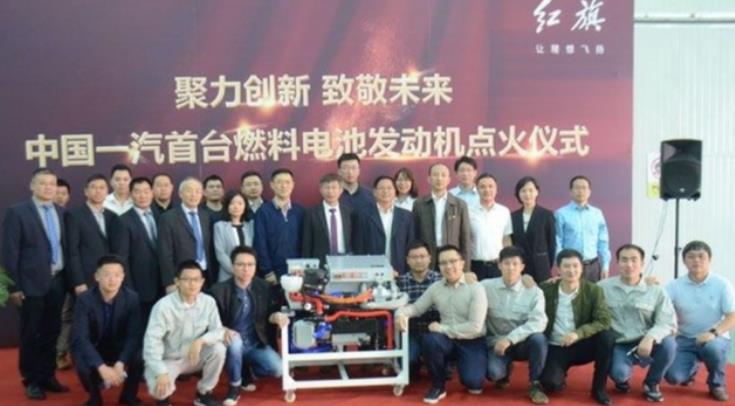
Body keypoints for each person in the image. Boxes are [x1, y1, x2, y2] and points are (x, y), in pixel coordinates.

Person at [2, 168, 70, 400]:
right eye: (42, 183)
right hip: (29, 285)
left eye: (52, 183)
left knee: (52, 332)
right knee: (31, 334)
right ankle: (31, 380)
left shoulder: (60, 212)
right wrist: (14, 287)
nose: (48, 187)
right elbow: (9, 253)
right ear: (32, 186)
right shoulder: (17, 212)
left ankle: (48, 375)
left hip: (57, 281)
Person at [396, 245, 487, 404]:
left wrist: (442, 328)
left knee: (474, 384)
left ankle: (460, 366)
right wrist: (400, 314)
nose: (448, 266)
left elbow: (475, 327)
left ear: (462, 263)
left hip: (471, 341)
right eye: (443, 263)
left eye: (453, 261)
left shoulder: (476, 288)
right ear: (439, 266)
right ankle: (438, 386)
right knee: (431, 339)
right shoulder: (435, 288)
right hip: (447, 340)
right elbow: (416, 308)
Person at [210, 246, 290, 406]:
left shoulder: (264, 287)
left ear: (255, 266)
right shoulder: (218, 290)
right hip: (231, 343)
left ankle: (248, 370)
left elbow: (270, 314)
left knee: (278, 370)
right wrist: (224, 330)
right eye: (240, 264)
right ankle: (234, 387)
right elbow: (212, 322)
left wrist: (276, 316)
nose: (245, 269)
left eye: (250, 264)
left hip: (255, 343)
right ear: (232, 266)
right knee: (235, 342)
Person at [598, 244, 676, 403]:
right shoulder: (603, 287)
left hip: (647, 341)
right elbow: (580, 292)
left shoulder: (656, 290)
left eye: (634, 260)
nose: (629, 264)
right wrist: (559, 281)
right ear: (617, 263)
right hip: (620, 344)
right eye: (624, 260)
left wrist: (650, 337)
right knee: (619, 375)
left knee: (669, 344)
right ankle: (622, 379)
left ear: (642, 263)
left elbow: (667, 322)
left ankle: (652, 383)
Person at [144, 260, 226, 406]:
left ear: (202, 282)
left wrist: (201, 341)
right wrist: (160, 371)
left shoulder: (208, 302)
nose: (192, 284)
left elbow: (218, 331)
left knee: (219, 349)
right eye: (187, 279)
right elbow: (152, 342)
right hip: (169, 359)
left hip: (194, 356)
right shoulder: (163, 306)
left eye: (196, 279)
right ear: (177, 282)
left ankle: (204, 392)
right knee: (158, 388)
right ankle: (163, 400)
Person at [539, 249, 615, 406]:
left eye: (575, 266)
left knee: (606, 337)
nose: (571, 270)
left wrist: (578, 333)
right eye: (566, 266)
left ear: (582, 268)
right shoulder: (546, 289)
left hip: (582, 344)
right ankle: (559, 374)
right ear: (558, 269)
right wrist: (526, 278)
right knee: (551, 384)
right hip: (557, 346)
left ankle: (598, 389)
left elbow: (604, 320)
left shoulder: (593, 290)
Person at [665, 240, 735, 402]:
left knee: (713, 349)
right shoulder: (674, 285)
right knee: (673, 377)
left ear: (709, 259)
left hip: (715, 337)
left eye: (701, 256)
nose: (696, 260)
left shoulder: (722, 284)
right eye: (691, 257)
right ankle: (690, 370)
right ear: (684, 261)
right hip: (685, 338)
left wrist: (713, 333)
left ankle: (716, 384)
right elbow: (661, 308)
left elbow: (732, 315)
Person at [71, 255, 143, 406]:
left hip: (119, 346)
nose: (112, 279)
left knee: (140, 354)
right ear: (97, 277)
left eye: (117, 275)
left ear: (123, 277)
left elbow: (134, 335)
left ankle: (128, 396)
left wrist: (121, 362)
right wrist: (101, 367)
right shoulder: (84, 300)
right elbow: (81, 337)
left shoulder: (132, 298)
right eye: (107, 275)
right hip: (95, 346)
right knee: (79, 354)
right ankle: (94, 397)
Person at [481, 246, 549, 404]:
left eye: (515, 264)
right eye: (506, 263)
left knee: (539, 339)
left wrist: (510, 339)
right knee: (493, 373)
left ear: (522, 267)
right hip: (496, 344)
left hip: (522, 343)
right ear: (499, 265)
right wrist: (468, 276)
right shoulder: (485, 287)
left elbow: (539, 321)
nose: (511, 268)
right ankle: (504, 372)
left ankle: (535, 384)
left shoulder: (534, 291)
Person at [112, 177, 162, 322]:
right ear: (130, 194)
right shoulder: (123, 221)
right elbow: (122, 258)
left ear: (152, 193)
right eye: (138, 192)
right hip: (139, 285)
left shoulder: (161, 216)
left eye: (146, 191)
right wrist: (129, 289)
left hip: (163, 283)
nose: (142, 196)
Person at [395, 240, 442, 379]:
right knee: (409, 364)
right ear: (407, 260)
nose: (419, 260)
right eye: (414, 257)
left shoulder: (440, 280)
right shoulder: (399, 282)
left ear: (429, 258)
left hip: (434, 328)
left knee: (441, 369)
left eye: (422, 256)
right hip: (411, 329)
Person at [67, 173, 120, 294]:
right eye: (94, 187)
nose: (98, 191)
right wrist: (78, 281)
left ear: (107, 192)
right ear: (86, 191)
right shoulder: (74, 216)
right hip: (86, 279)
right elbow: (72, 252)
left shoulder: (112, 217)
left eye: (102, 188)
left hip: (109, 279)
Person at [158, 177, 213, 291]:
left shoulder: (206, 216)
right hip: (181, 277)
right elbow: (165, 253)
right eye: (189, 191)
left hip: (206, 274)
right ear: (180, 194)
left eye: (197, 191)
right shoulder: (168, 218)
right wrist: (170, 282)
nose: (193, 195)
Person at [413, 163, 471, 271]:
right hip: (427, 257)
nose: (439, 178)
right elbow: (415, 235)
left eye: (443, 175)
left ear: (449, 180)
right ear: (429, 179)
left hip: (451, 258)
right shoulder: (419, 204)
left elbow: (465, 239)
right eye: (435, 175)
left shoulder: (459, 204)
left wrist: (466, 269)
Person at [353, 175, 415, 275]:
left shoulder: (407, 216)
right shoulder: (364, 215)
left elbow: (411, 246)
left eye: (389, 188)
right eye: (381, 188)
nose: (385, 191)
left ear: (395, 191)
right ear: (374, 192)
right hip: (372, 271)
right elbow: (359, 247)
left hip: (400, 271)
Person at [253, 168, 304, 285]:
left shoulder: (300, 211)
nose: (284, 186)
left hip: (297, 270)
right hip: (273, 272)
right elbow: (260, 243)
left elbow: (305, 241)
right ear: (272, 185)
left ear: (293, 185)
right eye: (279, 182)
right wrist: (267, 271)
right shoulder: (263, 211)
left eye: (287, 182)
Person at [555, 176, 611, 281]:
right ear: (571, 192)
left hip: (592, 266)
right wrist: (559, 265)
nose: (580, 191)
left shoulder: (597, 213)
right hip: (570, 267)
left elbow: (603, 241)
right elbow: (557, 241)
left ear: (589, 192)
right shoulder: (561, 213)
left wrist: (605, 265)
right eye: (577, 188)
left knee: (593, 291)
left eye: (584, 188)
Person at [510, 176, 556, 283]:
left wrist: (546, 264)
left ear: (537, 192)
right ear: (518, 194)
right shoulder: (513, 217)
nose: (527, 194)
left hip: (541, 267)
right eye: (523, 191)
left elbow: (551, 244)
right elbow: (512, 242)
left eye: (531, 190)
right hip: (520, 267)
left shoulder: (546, 215)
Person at [301, 173, 352, 267]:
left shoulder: (348, 212)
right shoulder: (311, 213)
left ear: (341, 190)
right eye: (326, 188)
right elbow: (306, 243)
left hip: (346, 261)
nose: (330, 192)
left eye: (334, 188)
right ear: (320, 190)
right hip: (321, 263)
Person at [469, 173, 512, 280]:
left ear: (496, 189)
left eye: (490, 186)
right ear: (477, 189)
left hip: (498, 266)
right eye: (482, 187)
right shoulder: (468, 211)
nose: (487, 190)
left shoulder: (504, 211)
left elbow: (506, 238)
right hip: (475, 266)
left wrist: (507, 261)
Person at [53, 177, 73, 370]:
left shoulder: (71, 216)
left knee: (68, 315)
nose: (60, 196)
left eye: (63, 193)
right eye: (56, 192)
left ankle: (61, 352)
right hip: (49, 276)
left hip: (71, 274)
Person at [214, 191, 254, 282]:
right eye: (232, 203)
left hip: (248, 275)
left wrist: (246, 270)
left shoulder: (250, 226)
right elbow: (220, 254)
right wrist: (236, 271)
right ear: (227, 206)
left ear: (245, 206)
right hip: (227, 276)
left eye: (240, 203)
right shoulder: (219, 226)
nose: (236, 207)